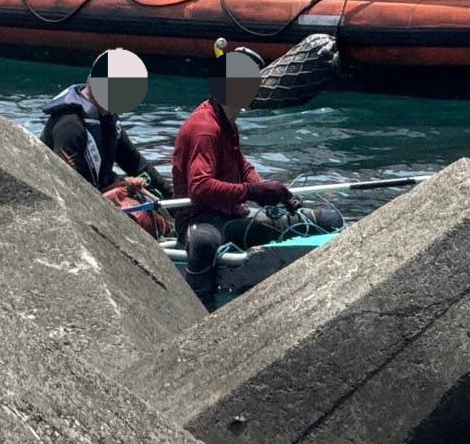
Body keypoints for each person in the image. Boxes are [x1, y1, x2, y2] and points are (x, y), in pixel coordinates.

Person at [172, 51, 342, 305]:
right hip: (202, 217)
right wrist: (252, 192)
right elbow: (200, 187)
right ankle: (200, 305)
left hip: (234, 213)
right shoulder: (204, 128)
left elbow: (242, 165)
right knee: (204, 242)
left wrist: (266, 189)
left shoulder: (228, 120)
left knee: (328, 219)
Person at [40, 63, 173, 232]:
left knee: (159, 213)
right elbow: (67, 187)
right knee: (140, 219)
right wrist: (113, 192)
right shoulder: (70, 126)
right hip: (72, 206)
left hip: (101, 193)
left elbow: (136, 163)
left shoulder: (108, 119)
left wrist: (173, 196)